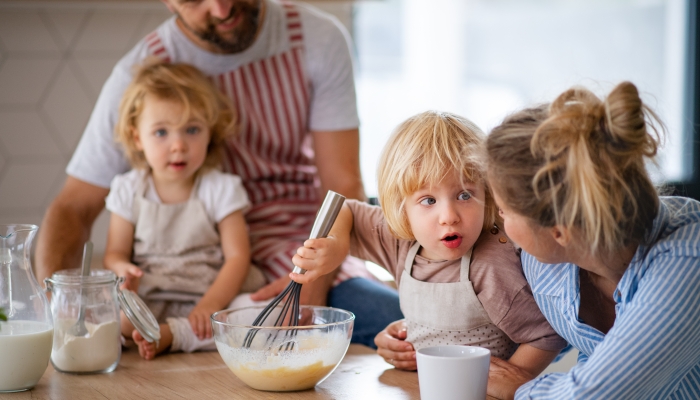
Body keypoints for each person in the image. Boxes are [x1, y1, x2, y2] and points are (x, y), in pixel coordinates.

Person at [35, 0, 402, 348]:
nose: (222, 9)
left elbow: (342, 186)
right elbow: (74, 208)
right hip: (208, 273)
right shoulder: (144, 74)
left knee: (401, 320)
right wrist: (54, 315)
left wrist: (313, 284)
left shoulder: (315, 39)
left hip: (301, 246)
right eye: (194, 1)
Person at [290, 111, 567, 374]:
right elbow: (343, 208)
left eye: (464, 195)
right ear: (402, 209)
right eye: (428, 200)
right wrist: (338, 245)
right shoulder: (400, 242)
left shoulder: (490, 266)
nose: (449, 217)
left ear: (489, 194)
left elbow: (546, 335)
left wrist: (509, 382)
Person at [484, 81, 700, 399]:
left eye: (503, 210)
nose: (499, 221)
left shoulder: (686, 264)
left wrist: (520, 388)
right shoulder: (545, 260)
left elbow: (592, 395)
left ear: (558, 231)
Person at [104, 61, 264, 360]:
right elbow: (115, 253)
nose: (178, 145)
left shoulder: (220, 188)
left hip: (211, 294)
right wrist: (124, 272)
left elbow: (238, 257)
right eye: (161, 132)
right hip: (152, 297)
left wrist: (210, 304)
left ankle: (172, 336)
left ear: (209, 134)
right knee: (116, 316)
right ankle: (157, 331)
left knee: (272, 314)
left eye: (192, 130)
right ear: (137, 137)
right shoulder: (128, 188)